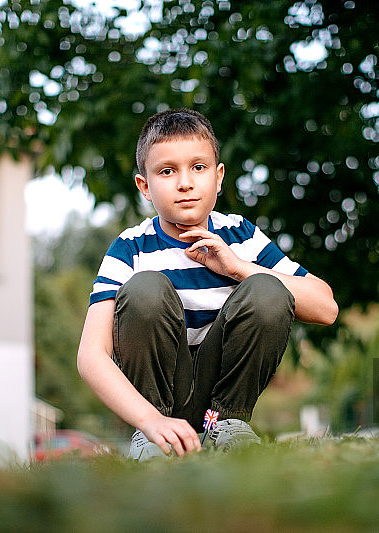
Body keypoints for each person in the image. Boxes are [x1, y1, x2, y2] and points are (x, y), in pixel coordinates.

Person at [77, 109, 338, 460]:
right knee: (145, 290)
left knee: (267, 288)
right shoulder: (130, 248)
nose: (185, 183)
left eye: (198, 168)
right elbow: (91, 356)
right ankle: (156, 440)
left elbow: (326, 307)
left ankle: (228, 426)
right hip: (160, 402)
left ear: (218, 177)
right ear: (145, 187)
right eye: (167, 171)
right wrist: (149, 420)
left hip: (222, 397)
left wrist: (237, 267)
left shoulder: (240, 236)